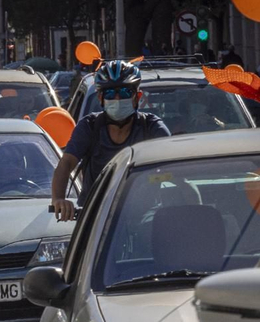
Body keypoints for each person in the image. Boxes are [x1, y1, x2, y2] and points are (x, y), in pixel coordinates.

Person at [51, 60, 170, 219]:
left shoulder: (152, 128)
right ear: (100, 98)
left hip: (144, 216)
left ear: (138, 96)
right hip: (95, 217)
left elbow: (171, 170)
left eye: (125, 92)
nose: (117, 98)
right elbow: (65, 164)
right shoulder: (89, 127)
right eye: (109, 94)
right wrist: (59, 199)